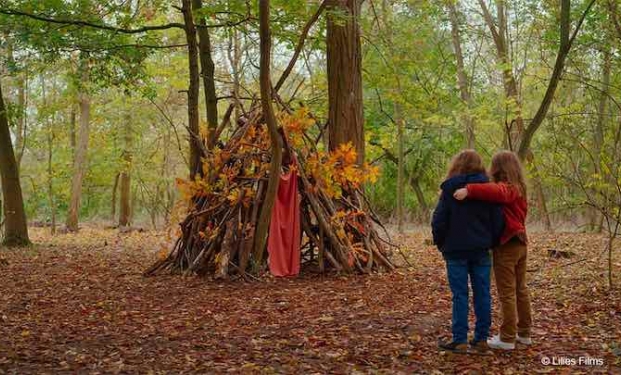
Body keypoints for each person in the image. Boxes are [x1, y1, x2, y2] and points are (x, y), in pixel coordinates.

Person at [453, 150, 532, 350]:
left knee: (508, 292)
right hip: (520, 243)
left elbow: (498, 192)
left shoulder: (509, 188)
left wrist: (469, 190)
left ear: (499, 168)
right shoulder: (519, 187)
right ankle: (524, 334)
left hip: (508, 245)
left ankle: (507, 338)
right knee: (520, 290)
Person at [432, 150, 504, 353]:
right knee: (483, 293)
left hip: (455, 250)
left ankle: (460, 339)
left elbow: (439, 220)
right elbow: (498, 221)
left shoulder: (449, 190)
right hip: (481, 250)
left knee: (460, 295)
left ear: (457, 165)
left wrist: (441, 243)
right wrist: (492, 241)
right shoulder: (488, 190)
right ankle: (481, 339)